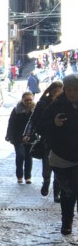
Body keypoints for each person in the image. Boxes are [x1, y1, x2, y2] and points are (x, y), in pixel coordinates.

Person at [36, 74, 78, 235]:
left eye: (75, 89)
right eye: (69, 90)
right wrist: (54, 123)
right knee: (68, 193)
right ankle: (66, 222)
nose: (72, 93)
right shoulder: (56, 105)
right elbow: (40, 126)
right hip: (62, 158)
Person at [24, 81, 63, 201]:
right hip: (47, 139)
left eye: (59, 91)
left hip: (61, 140)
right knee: (47, 165)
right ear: (50, 91)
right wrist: (27, 134)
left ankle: (57, 193)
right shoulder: (43, 103)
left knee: (59, 168)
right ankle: (46, 181)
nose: (57, 93)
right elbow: (33, 120)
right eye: (55, 90)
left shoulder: (63, 103)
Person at [5, 92, 35, 184]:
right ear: (22, 100)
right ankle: (19, 176)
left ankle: (28, 177)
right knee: (21, 155)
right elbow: (11, 123)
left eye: (30, 100)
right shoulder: (16, 110)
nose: (28, 102)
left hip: (31, 137)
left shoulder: (35, 109)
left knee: (29, 157)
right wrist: (9, 136)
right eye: (26, 100)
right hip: (18, 137)